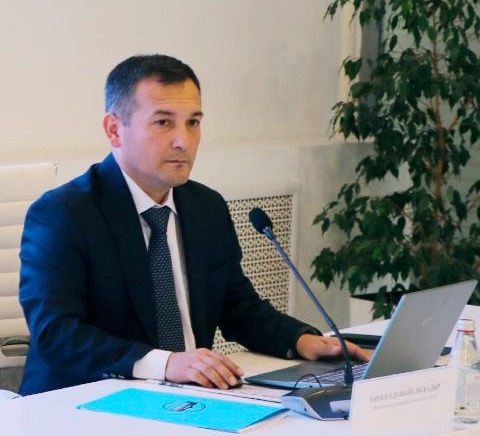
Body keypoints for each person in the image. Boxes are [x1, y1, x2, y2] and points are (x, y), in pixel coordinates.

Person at [18, 54, 368, 395]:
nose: (183, 141)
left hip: (188, 399)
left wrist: (302, 340)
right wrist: (167, 363)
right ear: (114, 130)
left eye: (193, 123)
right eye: (163, 122)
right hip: (83, 404)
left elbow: (238, 308)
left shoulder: (205, 207)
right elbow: (57, 333)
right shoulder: (63, 214)